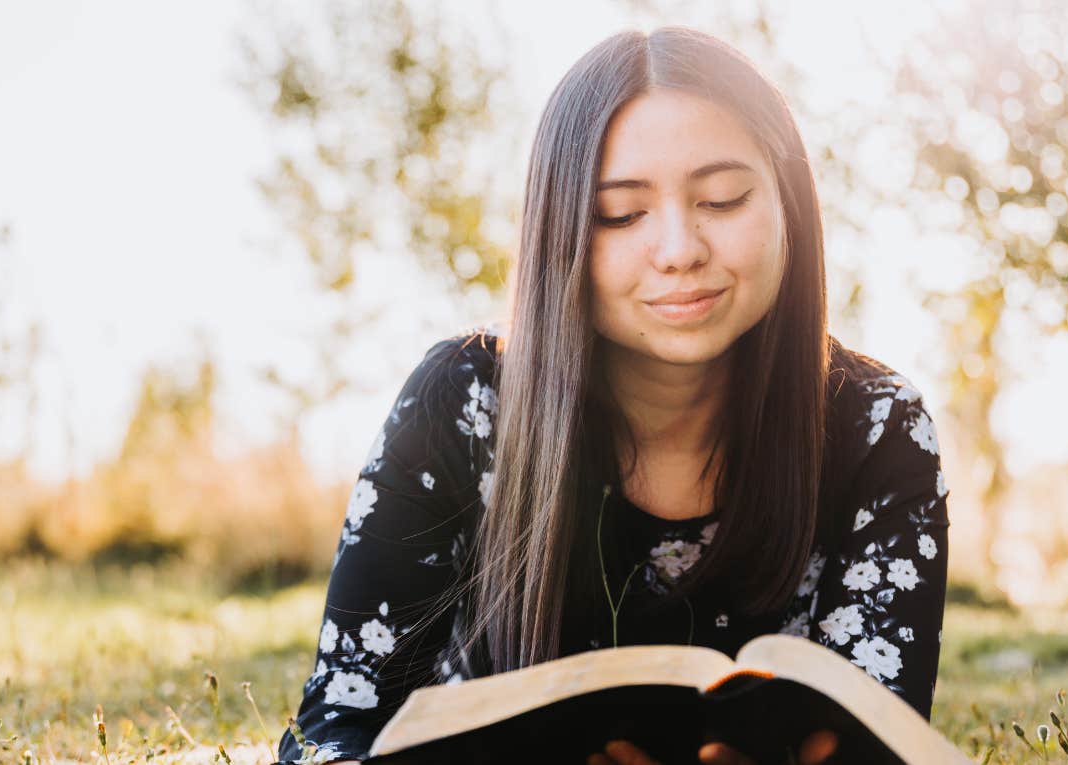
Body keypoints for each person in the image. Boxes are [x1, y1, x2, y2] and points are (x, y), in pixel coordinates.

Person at [274, 25, 950, 765]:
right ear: (559, 229)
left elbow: (880, 733)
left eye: (723, 199)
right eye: (621, 214)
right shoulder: (462, 403)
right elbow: (333, 725)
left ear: (788, 201)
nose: (678, 249)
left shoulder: (878, 425)